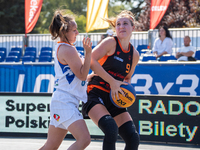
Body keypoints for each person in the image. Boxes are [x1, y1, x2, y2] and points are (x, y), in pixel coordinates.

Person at [82, 10, 140, 150]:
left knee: (133, 138)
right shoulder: (110, 42)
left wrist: (125, 94)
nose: (121, 26)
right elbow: (90, 60)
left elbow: (127, 79)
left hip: (114, 98)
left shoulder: (134, 54)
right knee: (111, 128)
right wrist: (112, 82)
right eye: (118, 24)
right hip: (95, 93)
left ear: (133, 27)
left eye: (125, 23)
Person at [39, 10, 92, 150]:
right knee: (84, 139)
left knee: (50, 146)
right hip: (65, 101)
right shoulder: (67, 49)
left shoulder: (65, 47)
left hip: (63, 100)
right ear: (64, 32)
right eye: (74, 30)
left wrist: (91, 77)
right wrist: (88, 53)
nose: (77, 33)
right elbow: (81, 75)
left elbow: (77, 76)